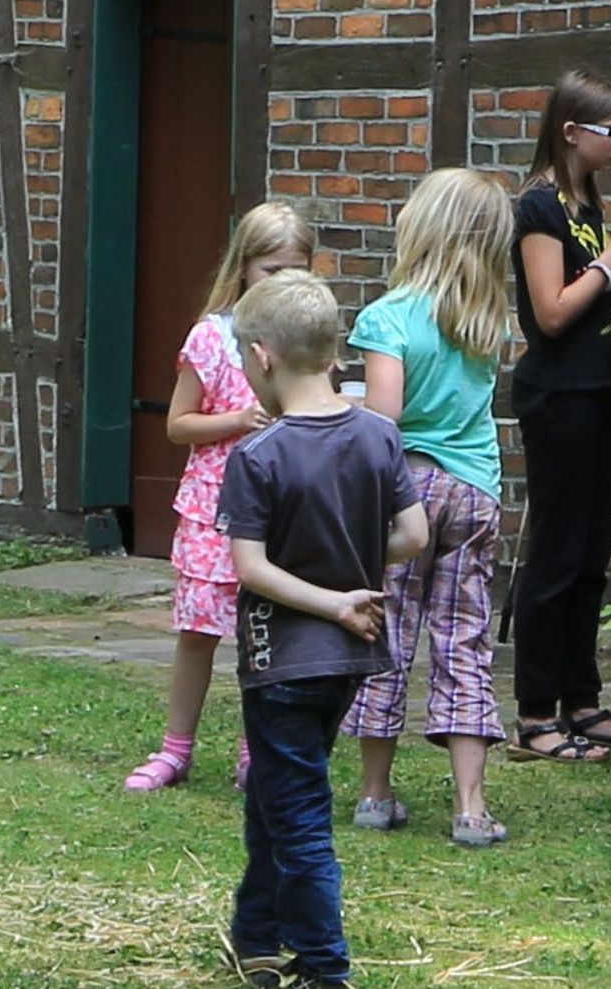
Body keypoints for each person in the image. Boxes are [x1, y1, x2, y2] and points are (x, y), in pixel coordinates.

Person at [218, 269, 427, 989]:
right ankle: (257, 934)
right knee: (275, 791)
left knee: (300, 813)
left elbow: (250, 566)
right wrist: (355, 572)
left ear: (264, 354)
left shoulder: (258, 454)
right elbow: (415, 532)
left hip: (283, 662)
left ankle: (325, 966)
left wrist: (332, 599)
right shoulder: (378, 434)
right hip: (348, 660)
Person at [345, 166, 523, 847]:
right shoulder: (485, 320)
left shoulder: (387, 317)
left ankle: (374, 792)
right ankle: (471, 807)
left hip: (406, 495)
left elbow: (384, 420)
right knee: (464, 642)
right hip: (475, 490)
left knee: (384, 633)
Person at [133, 199, 319, 793]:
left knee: (268, 635)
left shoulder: (306, 342)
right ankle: (175, 749)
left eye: (296, 270)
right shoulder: (212, 338)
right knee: (199, 631)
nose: (283, 283)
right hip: (214, 508)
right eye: (272, 271)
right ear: (243, 268)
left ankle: (256, 752)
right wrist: (237, 420)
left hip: (281, 508)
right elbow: (178, 425)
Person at [505, 73, 611, 765]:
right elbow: (551, 310)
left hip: (594, 387)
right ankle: (534, 713)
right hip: (556, 396)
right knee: (557, 555)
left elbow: (581, 305)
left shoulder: (586, 202)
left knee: (591, 553)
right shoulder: (539, 206)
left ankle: (581, 699)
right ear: (571, 132)